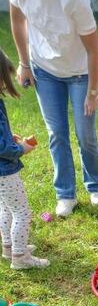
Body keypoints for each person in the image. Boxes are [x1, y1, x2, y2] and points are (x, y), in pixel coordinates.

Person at [9, 0, 98, 218]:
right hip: (44, 70)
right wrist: (24, 63)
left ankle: (95, 185)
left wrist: (92, 92)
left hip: (80, 73)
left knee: (85, 133)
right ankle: (65, 193)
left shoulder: (75, 0)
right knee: (56, 133)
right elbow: (17, 20)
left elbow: (94, 50)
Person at [0, 49, 49, 270]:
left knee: (5, 208)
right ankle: (20, 257)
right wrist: (21, 148)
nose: (6, 83)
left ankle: (9, 248)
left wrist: (9, 138)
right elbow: (2, 148)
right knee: (21, 212)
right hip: (5, 171)